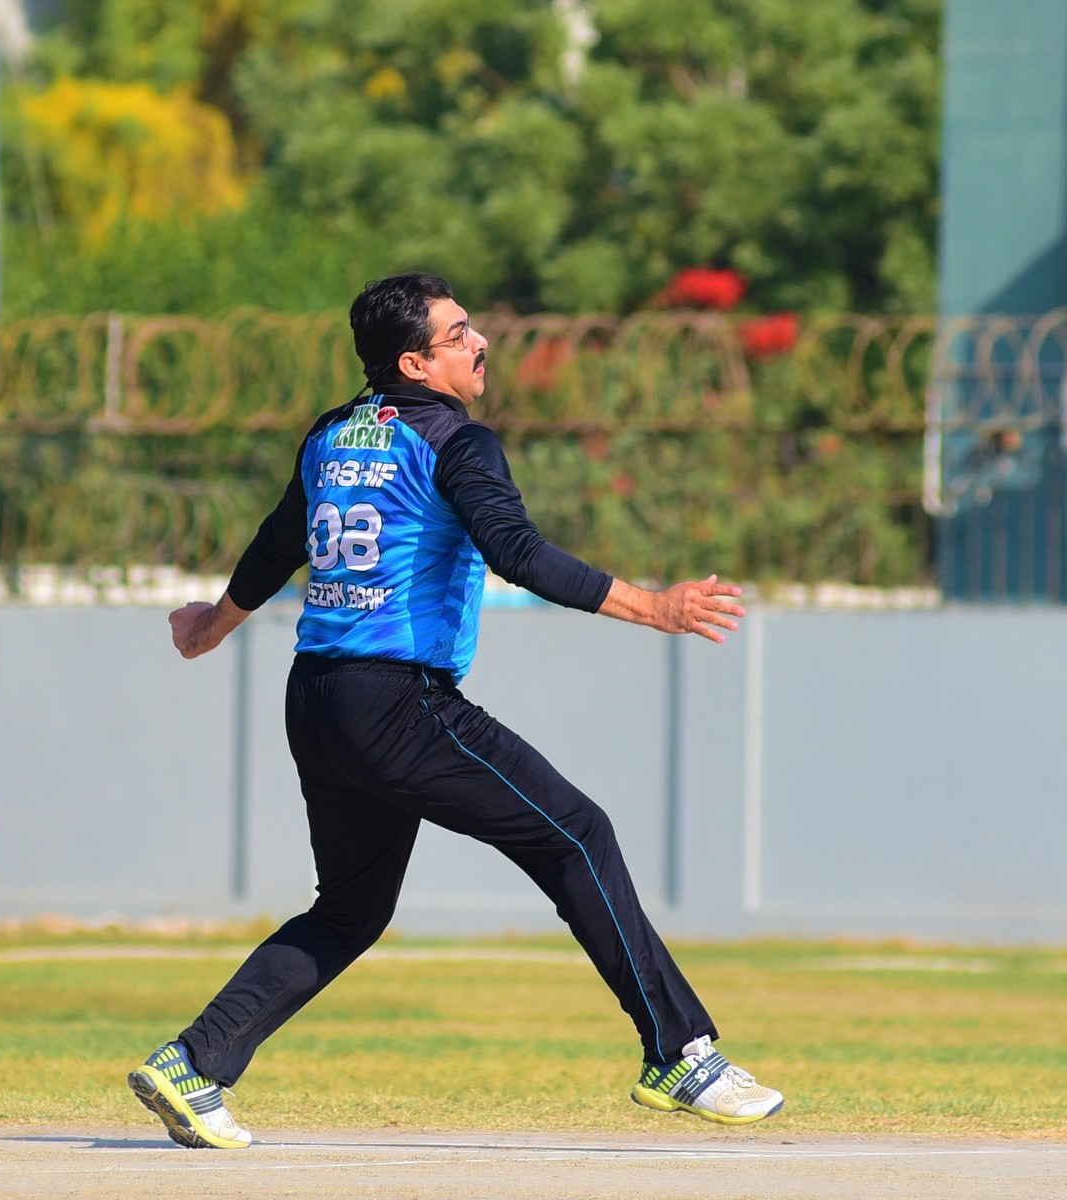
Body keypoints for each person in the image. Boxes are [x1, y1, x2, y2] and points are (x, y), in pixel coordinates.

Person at [128, 272, 783, 1149]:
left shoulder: (332, 432)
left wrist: (213, 626)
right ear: (415, 364)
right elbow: (517, 554)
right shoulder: (455, 439)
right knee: (576, 834)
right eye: (459, 334)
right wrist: (654, 607)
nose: (481, 344)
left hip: (316, 699)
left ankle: (193, 1064)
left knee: (350, 911)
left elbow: (280, 539)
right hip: (397, 702)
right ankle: (679, 1054)